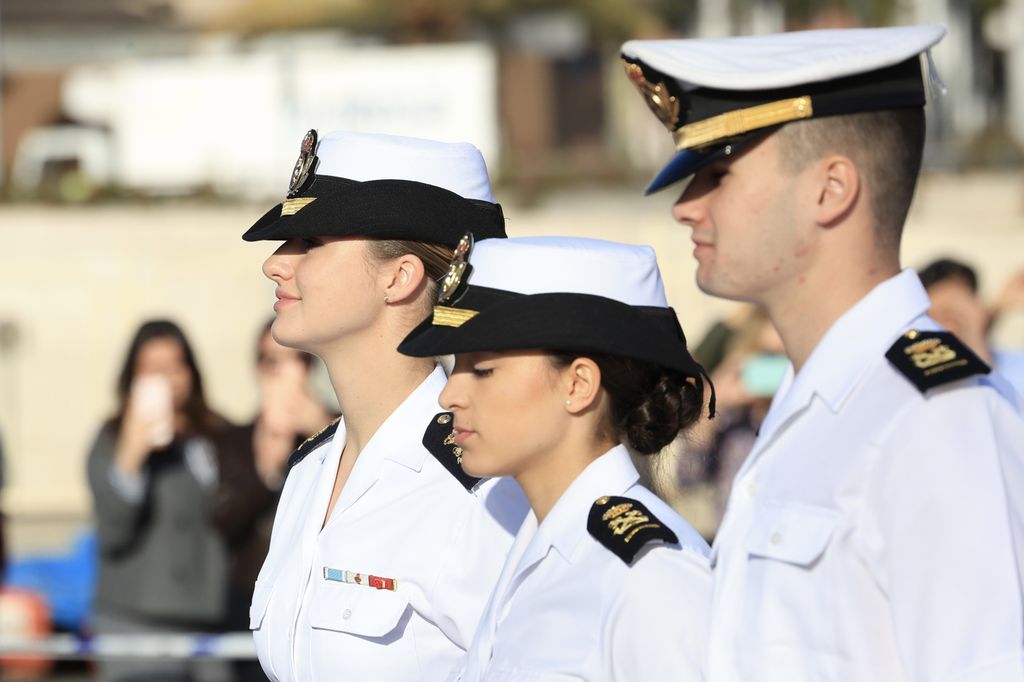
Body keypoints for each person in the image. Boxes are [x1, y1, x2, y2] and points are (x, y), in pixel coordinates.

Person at [622, 25, 1024, 681]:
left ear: (831, 189)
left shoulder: (935, 422)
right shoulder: (815, 405)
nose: (685, 208)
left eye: (717, 173)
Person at [244, 129, 528, 681]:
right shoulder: (311, 471)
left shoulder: (484, 489)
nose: (276, 264)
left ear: (399, 277)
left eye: (311, 242)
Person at [398, 235, 714, 680]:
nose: (450, 394)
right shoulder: (530, 543)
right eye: (457, 365)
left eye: (484, 370)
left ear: (578, 385)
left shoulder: (650, 574)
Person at [86, 319, 231, 682]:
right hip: (134, 620)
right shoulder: (111, 438)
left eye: (174, 366)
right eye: (152, 370)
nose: (166, 379)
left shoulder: (219, 436)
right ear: (132, 378)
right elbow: (112, 531)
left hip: (211, 618)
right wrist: (132, 455)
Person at [213, 320, 332, 682]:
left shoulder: (341, 428)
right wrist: (265, 470)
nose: (282, 373)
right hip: (250, 601)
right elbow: (222, 522)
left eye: (294, 358)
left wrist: (324, 431)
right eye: (270, 361)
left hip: (319, 600)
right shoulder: (235, 439)